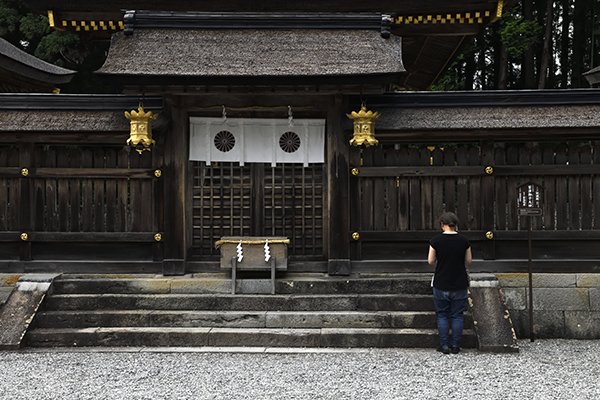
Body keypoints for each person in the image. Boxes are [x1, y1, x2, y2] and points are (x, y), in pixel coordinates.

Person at [427, 212, 472, 354]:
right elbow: (469, 261)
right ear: (455, 224)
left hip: (441, 281)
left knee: (442, 314)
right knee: (457, 315)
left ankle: (444, 345)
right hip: (459, 282)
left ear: (442, 224)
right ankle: (456, 346)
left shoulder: (435, 241)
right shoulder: (464, 241)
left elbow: (430, 261)